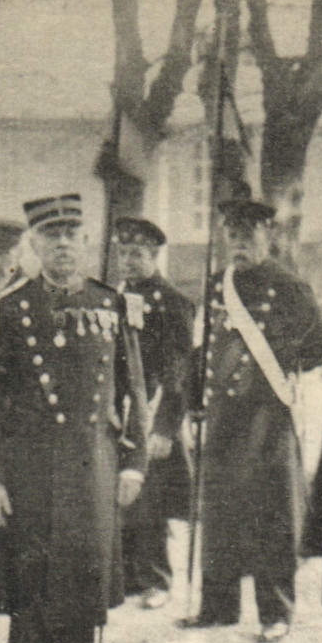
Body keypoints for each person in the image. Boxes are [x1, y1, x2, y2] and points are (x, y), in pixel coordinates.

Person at [0, 193, 149, 643]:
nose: (64, 244)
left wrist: (133, 464)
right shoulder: (7, 308)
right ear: (34, 244)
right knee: (30, 589)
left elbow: (134, 392)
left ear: (87, 241)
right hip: (28, 469)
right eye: (52, 236)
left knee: (82, 583)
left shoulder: (113, 304)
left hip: (92, 464)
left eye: (73, 234)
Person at [180, 188, 322, 641]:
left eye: (248, 234)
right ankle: (218, 605)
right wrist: (195, 399)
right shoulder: (217, 284)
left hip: (269, 416)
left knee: (272, 514)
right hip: (224, 415)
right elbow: (202, 348)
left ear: (268, 234)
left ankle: (276, 612)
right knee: (220, 510)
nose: (239, 243)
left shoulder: (288, 286)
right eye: (232, 234)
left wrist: (283, 362)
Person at [114, 215, 195, 609]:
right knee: (123, 491)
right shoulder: (112, 296)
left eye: (137, 254)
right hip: (121, 409)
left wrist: (166, 427)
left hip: (155, 407)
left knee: (153, 500)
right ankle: (127, 575)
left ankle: (157, 580)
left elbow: (179, 371)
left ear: (154, 255)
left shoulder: (173, 302)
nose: (128, 261)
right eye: (123, 253)